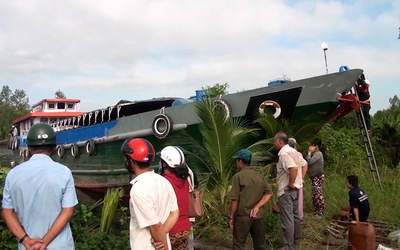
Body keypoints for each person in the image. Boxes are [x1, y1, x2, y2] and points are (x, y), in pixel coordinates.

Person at [2, 123, 78, 250]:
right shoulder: (64, 173)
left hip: (27, 247)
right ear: (54, 147)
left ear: (29, 147)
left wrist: (26, 240)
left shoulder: (13, 174)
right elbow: (68, 211)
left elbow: (7, 212)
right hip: (59, 246)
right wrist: (44, 242)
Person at [121, 138, 179, 250]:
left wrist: (160, 236)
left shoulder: (138, 190)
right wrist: (163, 232)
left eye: (126, 159)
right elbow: (175, 212)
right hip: (161, 240)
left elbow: (155, 225)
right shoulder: (164, 182)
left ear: (131, 162)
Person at [226, 149, 273, 250]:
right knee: (260, 245)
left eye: (237, 160)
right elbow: (268, 194)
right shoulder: (259, 175)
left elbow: (234, 200)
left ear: (240, 161)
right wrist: (257, 206)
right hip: (258, 215)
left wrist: (231, 217)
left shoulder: (237, 177)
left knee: (238, 244)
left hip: (243, 217)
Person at [274, 132, 307, 250]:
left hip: (287, 191)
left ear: (279, 141)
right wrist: (301, 180)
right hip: (296, 189)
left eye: (274, 141)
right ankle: (296, 239)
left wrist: (291, 184)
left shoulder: (284, 153)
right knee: (295, 216)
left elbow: (293, 168)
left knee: (287, 219)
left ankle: (288, 246)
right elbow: (304, 164)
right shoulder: (294, 151)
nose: (274, 144)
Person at [159, 146, 192, 250]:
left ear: (164, 164)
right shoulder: (184, 180)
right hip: (185, 227)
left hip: (170, 229)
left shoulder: (163, 182)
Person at [288, 138, 308, 224]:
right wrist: (302, 177)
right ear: (295, 145)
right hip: (298, 181)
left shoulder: (288, 154)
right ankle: (298, 218)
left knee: (294, 200)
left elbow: (296, 168)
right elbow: (305, 165)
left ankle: (296, 218)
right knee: (298, 200)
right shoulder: (298, 154)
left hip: (293, 181)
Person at [305, 138, 325, 217]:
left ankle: (320, 212)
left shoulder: (318, 154)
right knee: (315, 194)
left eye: (312, 145)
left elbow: (310, 162)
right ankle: (316, 210)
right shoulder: (316, 154)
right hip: (315, 176)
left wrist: (309, 153)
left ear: (316, 146)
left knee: (318, 194)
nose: (310, 147)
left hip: (318, 176)